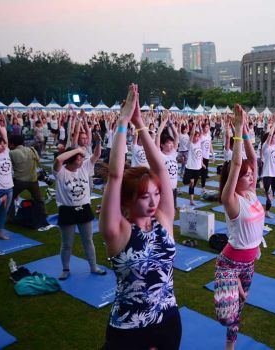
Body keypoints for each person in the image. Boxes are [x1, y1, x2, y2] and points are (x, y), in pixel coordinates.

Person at [100, 85, 180, 350]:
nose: (154, 201)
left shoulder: (164, 220)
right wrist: (123, 123)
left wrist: (141, 125)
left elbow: (162, 171)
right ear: (127, 200)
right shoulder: (117, 231)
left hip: (168, 319)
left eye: (156, 194)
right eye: (145, 197)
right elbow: (115, 176)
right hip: (129, 329)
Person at [216, 104, 264, 350]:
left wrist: (245, 128)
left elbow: (252, 159)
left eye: (251, 175)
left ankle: (229, 347)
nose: (251, 176)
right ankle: (232, 286)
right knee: (225, 315)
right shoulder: (231, 201)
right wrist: (235, 131)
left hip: (249, 262)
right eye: (246, 176)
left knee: (238, 311)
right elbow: (236, 165)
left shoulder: (252, 194)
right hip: (229, 263)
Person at [53, 130, 104, 280]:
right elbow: (59, 159)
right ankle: (65, 269)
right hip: (66, 210)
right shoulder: (60, 172)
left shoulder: (85, 167)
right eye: (80, 157)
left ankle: (93, 266)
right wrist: (77, 149)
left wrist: (99, 142)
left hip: (84, 209)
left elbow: (96, 155)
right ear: (72, 158)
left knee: (88, 240)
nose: (82, 159)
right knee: (67, 243)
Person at [7, 135, 46, 223]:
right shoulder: (31, 149)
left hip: (19, 181)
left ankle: (11, 218)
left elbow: (8, 166)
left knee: (10, 198)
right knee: (39, 199)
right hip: (33, 180)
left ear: (12, 144)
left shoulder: (12, 153)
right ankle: (43, 213)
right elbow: (38, 160)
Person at [156, 112, 179, 209]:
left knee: (172, 210)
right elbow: (158, 136)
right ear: (162, 145)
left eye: (171, 143)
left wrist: (170, 122)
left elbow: (176, 136)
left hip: (174, 188)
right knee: (163, 211)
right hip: (164, 188)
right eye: (168, 143)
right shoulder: (160, 154)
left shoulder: (173, 153)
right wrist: (164, 121)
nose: (171, 145)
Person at [261, 115, 275, 219]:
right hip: (267, 174)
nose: (274, 138)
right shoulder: (265, 146)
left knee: (272, 194)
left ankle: (267, 211)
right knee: (268, 194)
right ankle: (265, 209)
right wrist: (274, 123)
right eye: (273, 137)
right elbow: (270, 135)